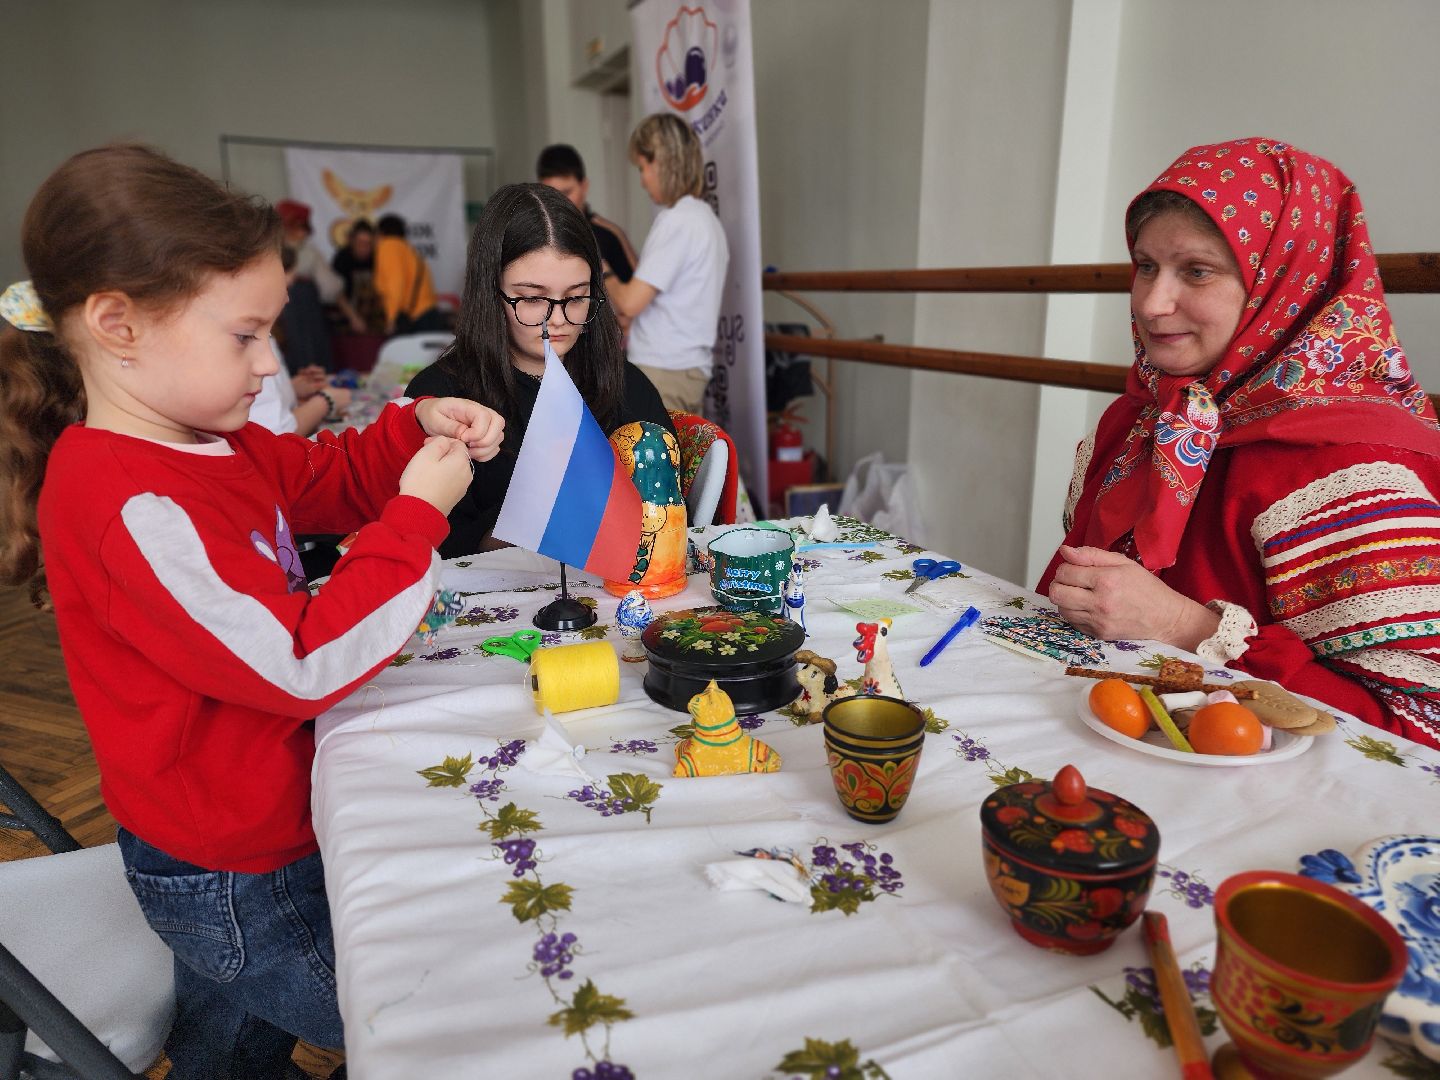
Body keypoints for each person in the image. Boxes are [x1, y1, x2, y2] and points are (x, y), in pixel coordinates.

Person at [0, 144, 505, 1077]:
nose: (270, 359)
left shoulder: (208, 438)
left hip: (248, 829)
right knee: (437, 1036)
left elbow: (321, 475)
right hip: (233, 872)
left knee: (228, 1046)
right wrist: (416, 518)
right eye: (244, 336)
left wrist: (411, 430)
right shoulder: (130, 504)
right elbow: (299, 659)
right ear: (118, 324)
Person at [1040, 137, 1440, 751]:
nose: (1152, 303)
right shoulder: (1141, 421)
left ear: (1286, 280)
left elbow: (1417, 732)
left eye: (1196, 271)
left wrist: (1189, 627)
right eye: (1145, 265)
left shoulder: (1354, 474)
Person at [406, 182, 673, 558]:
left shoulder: (626, 385)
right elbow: (428, 546)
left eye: (576, 297)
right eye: (532, 298)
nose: (558, 320)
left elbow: (671, 515)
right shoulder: (441, 399)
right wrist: (528, 522)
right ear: (490, 291)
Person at [606, 113, 729, 414]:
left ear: (663, 162)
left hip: (663, 371)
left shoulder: (678, 221)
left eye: (643, 167)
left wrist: (602, 268)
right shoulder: (706, 220)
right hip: (686, 370)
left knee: (655, 462)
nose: (643, 180)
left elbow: (631, 303)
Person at [537, 143, 640, 285]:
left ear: (584, 186)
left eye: (566, 192)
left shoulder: (608, 237)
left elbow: (632, 301)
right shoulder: (531, 236)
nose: (559, 201)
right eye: (551, 193)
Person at [373, 212, 446, 336]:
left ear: (381, 233)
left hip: (413, 320)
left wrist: (391, 318)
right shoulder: (408, 249)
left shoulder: (388, 246)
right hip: (428, 314)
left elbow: (395, 284)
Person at [330, 219, 382, 334]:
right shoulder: (342, 258)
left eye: (368, 244)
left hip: (372, 315)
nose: (364, 248)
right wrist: (353, 317)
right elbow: (337, 293)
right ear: (351, 241)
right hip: (347, 314)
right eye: (360, 243)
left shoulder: (378, 258)